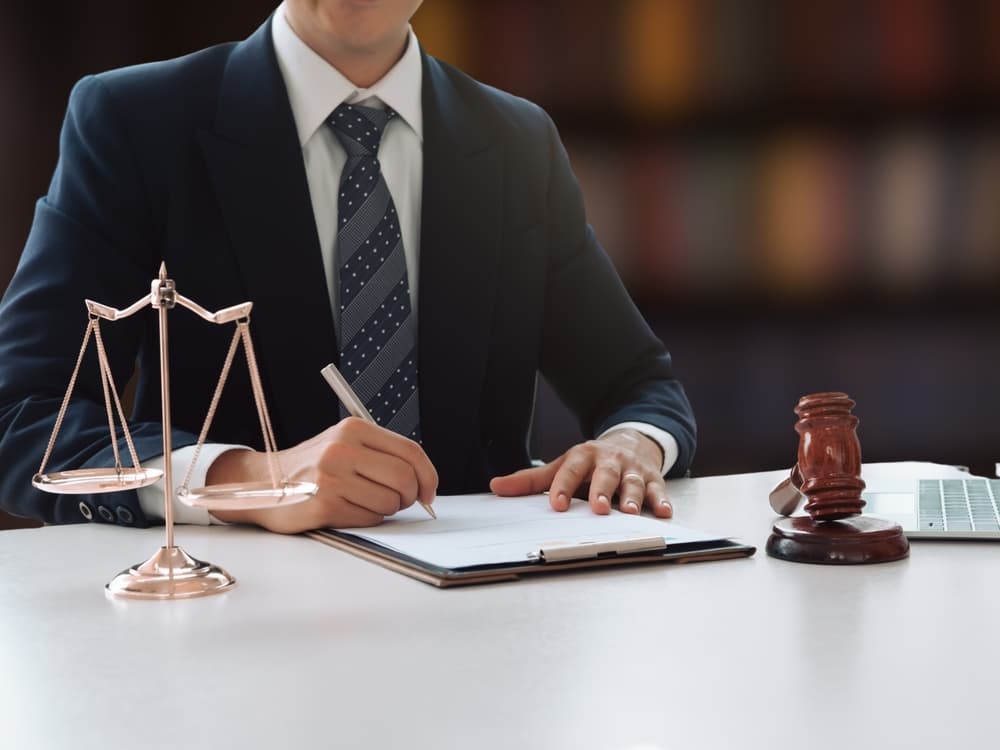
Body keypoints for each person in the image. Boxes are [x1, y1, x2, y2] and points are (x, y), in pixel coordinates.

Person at [0, 0, 696, 533]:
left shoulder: (517, 141)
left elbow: (639, 385)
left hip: (485, 622)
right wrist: (248, 479)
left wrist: (631, 446)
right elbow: (19, 414)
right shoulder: (135, 123)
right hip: (232, 628)